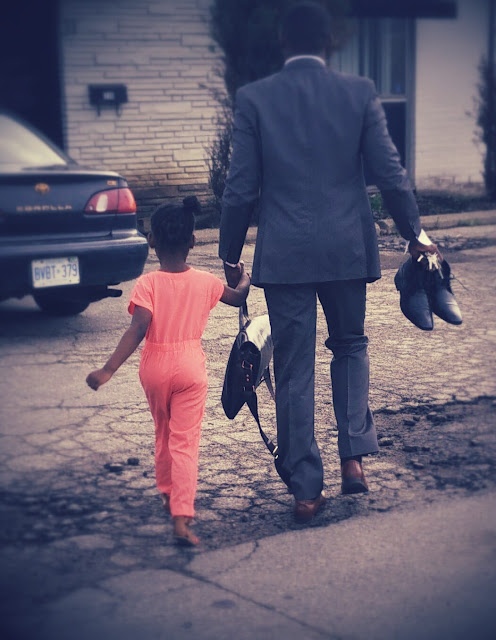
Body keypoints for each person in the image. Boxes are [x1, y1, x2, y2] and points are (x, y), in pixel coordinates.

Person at [219, 2, 441, 523]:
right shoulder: (358, 92)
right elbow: (390, 173)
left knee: (294, 366)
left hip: (285, 255)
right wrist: (415, 234)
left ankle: (305, 489)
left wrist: (229, 255)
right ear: (329, 43)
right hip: (345, 248)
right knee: (350, 345)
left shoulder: (255, 98)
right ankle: (353, 459)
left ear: (282, 41)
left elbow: (240, 189)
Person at [87, 197, 250, 545]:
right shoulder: (205, 281)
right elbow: (237, 297)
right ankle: (181, 517)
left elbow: (138, 328)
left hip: (155, 366)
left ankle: (166, 491)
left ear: (152, 241)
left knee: (163, 432)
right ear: (193, 241)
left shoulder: (147, 284)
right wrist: (244, 279)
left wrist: (108, 370)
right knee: (185, 442)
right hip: (190, 366)